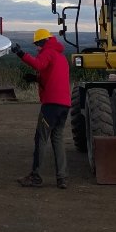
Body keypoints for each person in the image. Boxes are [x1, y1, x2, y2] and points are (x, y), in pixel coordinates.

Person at [10, 28, 71, 189]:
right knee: (57, 138)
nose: (37, 48)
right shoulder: (61, 56)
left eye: (38, 44)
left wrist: (20, 53)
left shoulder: (48, 52)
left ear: (44, 41)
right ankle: (62, 178)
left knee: (41, 139)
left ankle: (35, 176)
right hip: (64, 105)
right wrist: (36, 79)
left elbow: (38, 64)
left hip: (51, 104)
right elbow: (52, 76)